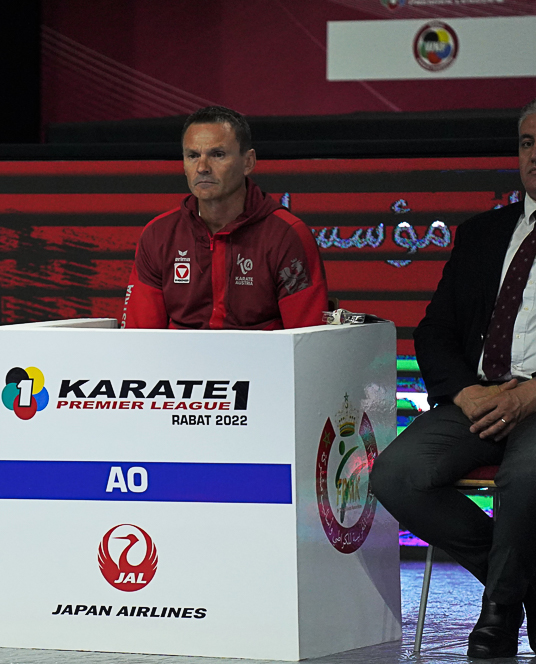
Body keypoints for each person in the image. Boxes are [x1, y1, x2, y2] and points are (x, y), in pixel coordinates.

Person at [370, 99, 536, 659]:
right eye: (527, 143)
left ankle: (498, 615)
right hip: (478, 398)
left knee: (525, 479)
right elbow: (434, 331)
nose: (534, 155)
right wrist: (466, 393)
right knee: (396, 475)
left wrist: (530, 394)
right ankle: (522, 586)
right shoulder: (482, 234)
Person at [122, 105, 328, 330]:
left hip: (261, 354)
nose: (202, 167)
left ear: (248, 162)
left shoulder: (286, 235)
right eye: (193, 156)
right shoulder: (158, 235)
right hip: (180, 354)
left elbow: (307, 339)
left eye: (217, 155)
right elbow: (140, 337)